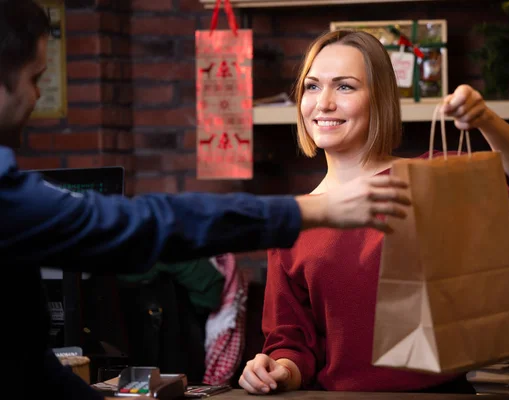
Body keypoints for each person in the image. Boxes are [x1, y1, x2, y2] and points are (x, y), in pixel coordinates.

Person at [0, 3, 413, 399]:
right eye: (35, 78)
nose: (38, 95)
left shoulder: (420, 182)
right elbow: (143, 225)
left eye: (344, 86)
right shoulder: (302, 220)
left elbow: (27, 364)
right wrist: (309, 211)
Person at [239, 29, 509, 394]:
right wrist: (277, 370)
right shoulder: (291, 220)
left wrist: (485, 120)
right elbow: (292, 343)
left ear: (379, 98)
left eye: (345, 87)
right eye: (312, 86)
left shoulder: (429, 179)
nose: (323, 103)